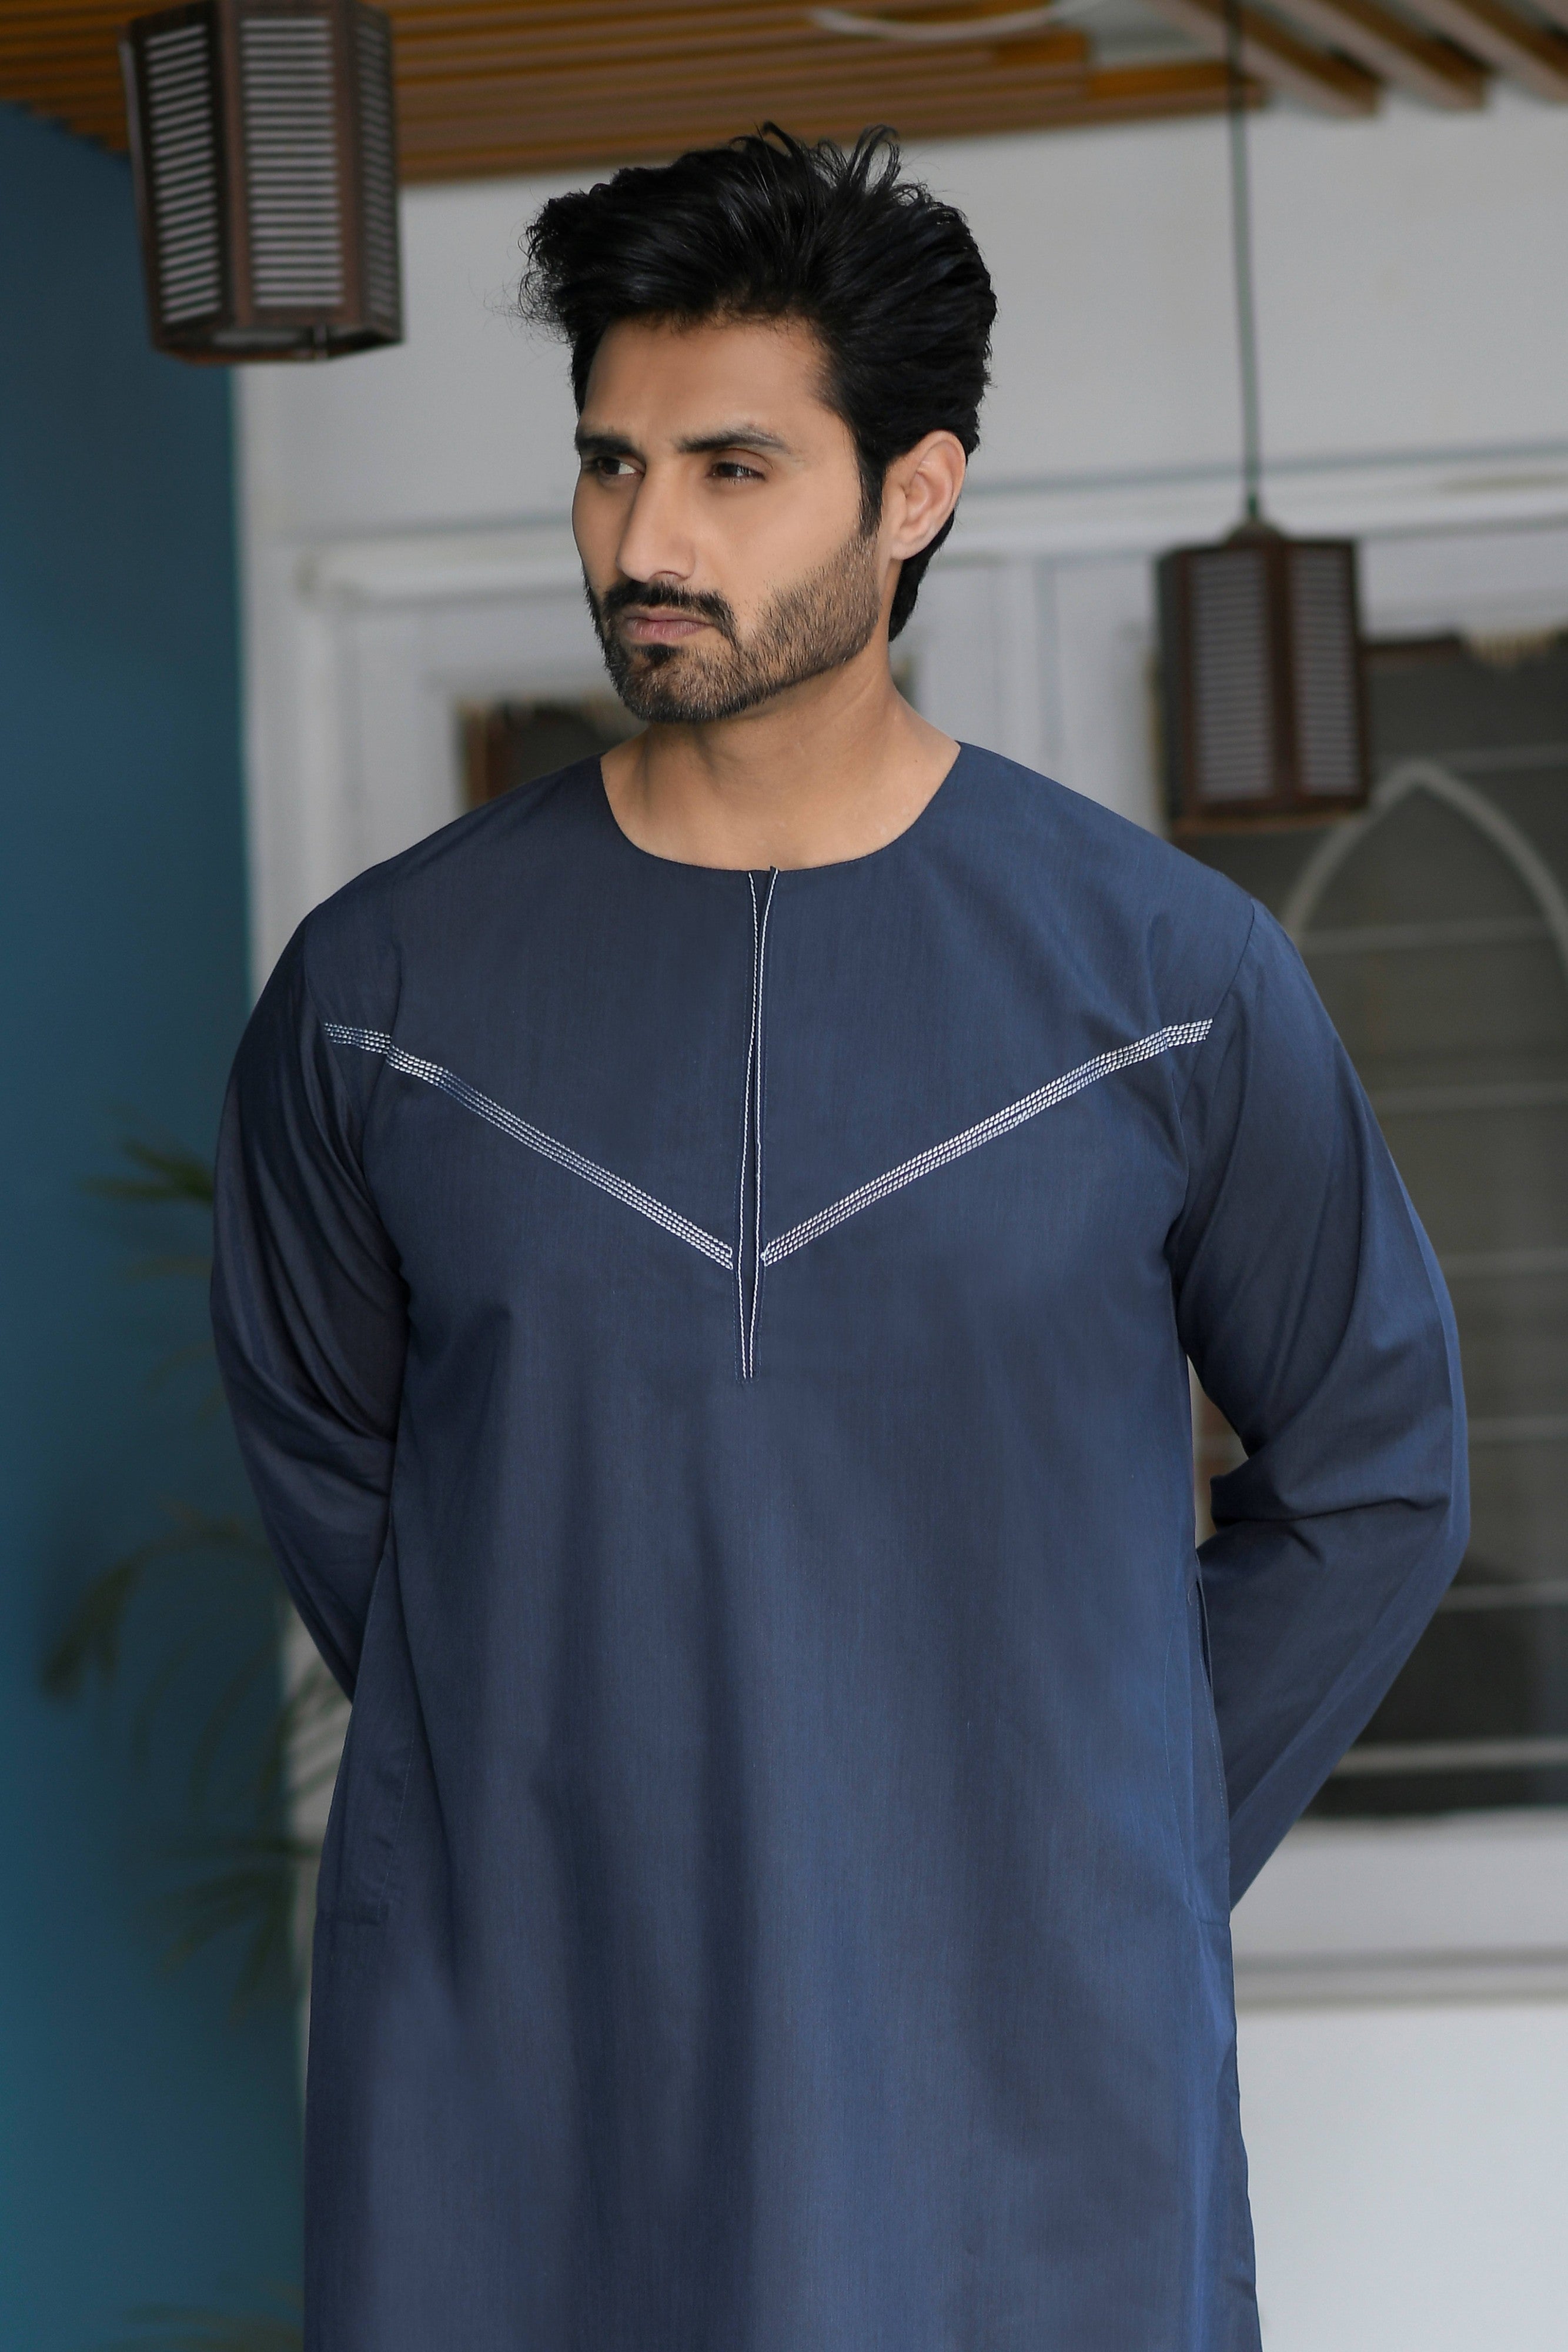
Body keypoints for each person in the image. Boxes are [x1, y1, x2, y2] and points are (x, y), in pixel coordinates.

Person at [211, 126, 1467, 2352]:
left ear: (913, 493)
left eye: (732, 469)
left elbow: (1374, 1472)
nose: (646, 540)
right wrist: (545, 1800)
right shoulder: (379, 996)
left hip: (1034, 2085)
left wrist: (1097, 1841)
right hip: (532, 2061)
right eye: (609, 464)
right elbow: (336, 1466)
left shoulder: (1166, 981)